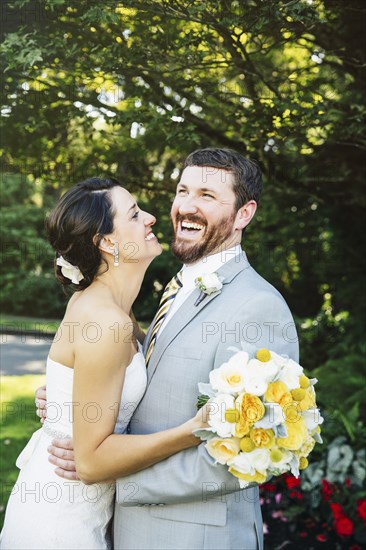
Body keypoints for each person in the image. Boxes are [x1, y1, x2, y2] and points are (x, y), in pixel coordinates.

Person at [35, 148, 299, 550]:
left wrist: (112, 478)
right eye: (182, 190)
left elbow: (251, 451)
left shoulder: (257, 307)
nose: (186, 207)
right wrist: (68, 403)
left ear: (244, 214)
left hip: (194, 537)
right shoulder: (172, 290)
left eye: (207, 196)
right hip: (118, 532)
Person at [0, 177, 209, 550]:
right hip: (60, 524)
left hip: (76, 509)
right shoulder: (107, 322)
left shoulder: (113, 311)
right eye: (134, 214)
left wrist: (62, 403)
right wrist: (193, 430)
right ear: (107, 242)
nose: (150, 218)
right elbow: (92, 463)